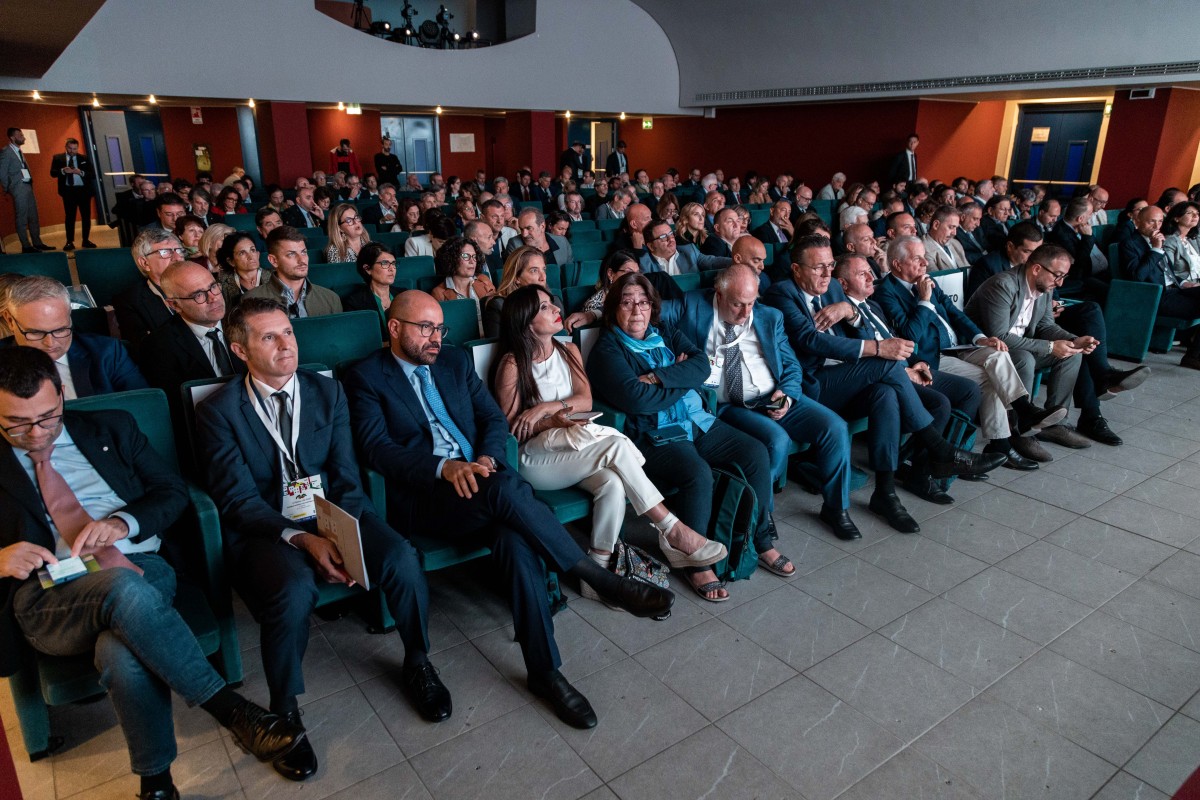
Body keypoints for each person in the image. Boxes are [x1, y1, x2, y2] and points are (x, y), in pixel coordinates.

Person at [344, 290, 672, 728]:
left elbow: (493, 421)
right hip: (426, 498)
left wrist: (486, 457)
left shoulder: (454, 362)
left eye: (440, 328)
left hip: (481, 485)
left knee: (516, 542)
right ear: (395, 328)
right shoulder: (366, 376)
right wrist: (443, 467)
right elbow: (377, 449)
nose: (436, 338)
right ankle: (599, 578)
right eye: (425, 328)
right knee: (504, 491)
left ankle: (545, 672)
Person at [0, 347, 305, 800]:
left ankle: (156, 784)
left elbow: (171, 492)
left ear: (62, 395)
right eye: (17, 425)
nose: (37, 434)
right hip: (49, 594)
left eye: (47, 418)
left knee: (119, 650)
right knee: (123, 590)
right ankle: (231, 709)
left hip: (140, 565)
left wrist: (123, 523)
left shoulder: (111, 427)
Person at [196, 299, 449, 782]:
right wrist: (302, 539)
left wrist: (342, 533)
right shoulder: (218, 412)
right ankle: (284, 709)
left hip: (331, 511)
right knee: (293, 590)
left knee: (401, 557)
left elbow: (346, 476)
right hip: (267, 528)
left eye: (288, 332)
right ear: (240, 350)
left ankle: (418, 661)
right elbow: (238, 501)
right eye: (269, 337)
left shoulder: (326, 392)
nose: (285, 344)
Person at [494, 284, 724, 602]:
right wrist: (551, 421)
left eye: (552, 303)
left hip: (574, 446)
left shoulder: (568, 350)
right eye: (544, 307)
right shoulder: (512, 365)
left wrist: (545, 408)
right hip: (535, 459)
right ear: (526, 321)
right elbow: (513, 430)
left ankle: (597, 574)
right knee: (616, 447)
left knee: (613, 484)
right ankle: (672, 529)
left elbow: (585, 400)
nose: (556, 309)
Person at [763, 235, 1005, 532]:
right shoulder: (781, 294)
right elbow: (809, 340)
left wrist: (851, 312)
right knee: (885, 361)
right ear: (796, 269)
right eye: (818, 268)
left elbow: (859, 326)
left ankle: (885, 493)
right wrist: (877, 348)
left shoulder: (832, 288)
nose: (826, 274)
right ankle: (940, 449)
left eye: (830, 266)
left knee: (885, 394)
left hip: (849, 376)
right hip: (812, 384)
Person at [586, 273, 776, 600]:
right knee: (696, 473)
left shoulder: (665, 332)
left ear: (652, 306)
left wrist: (658, 378)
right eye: (627, 303)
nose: (637, 311)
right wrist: (681, 378)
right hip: (653, 435)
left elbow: (702, 365)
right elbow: (637, 400)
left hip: (696, 421)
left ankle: (760, 539)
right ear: (614, 308)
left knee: (755, 452)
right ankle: (696, 562)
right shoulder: (607, 350)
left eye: (643, 302)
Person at [660, 265, 860, 542]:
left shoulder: (769, 316)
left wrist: (787, 395)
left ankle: (836, 508)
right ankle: (761, 512)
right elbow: (646, 311)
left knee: (834, 428)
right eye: (737, 304)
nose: (745, 313)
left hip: (774, 396)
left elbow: (791, 366)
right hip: (731, 405)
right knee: (776, 440)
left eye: (751, 303)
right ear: (719, 294)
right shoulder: (692, 305)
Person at [872, 239, 1064, 471]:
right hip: (930, 358)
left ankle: (1022, 412)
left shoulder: (926, 281)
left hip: (957, 346)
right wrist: (924, 300)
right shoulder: (887, 293)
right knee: (992, 379)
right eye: (916, 259)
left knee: (996, 353)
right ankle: (1001, 441)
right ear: (896, 264)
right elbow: (909, 335)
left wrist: (980, 338)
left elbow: (955, 313)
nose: (925, 263)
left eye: (924, 256)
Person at [965, 244, 1111, 446]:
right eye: (1057, 276)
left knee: (1072, 353)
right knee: (1025, 358)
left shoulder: (1044, 287)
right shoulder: (1003, 285)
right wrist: (1050, 347)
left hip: (1018, 346)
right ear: (1036, 269)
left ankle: (1055, 425)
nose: (1060, 283)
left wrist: (1073, 340)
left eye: (1064, 277)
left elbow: (1046, 325)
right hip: (987, 349)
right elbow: (999, 336)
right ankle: (1020, 429)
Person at [2, 275, 147, 398]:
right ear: (9, 320)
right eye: (36, 333)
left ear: (69, 315)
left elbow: (143, 405)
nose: (50, 343)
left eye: (60, 330)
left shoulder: (107, 353)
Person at [1120, 205, 1200, 369]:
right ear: (1137, 221)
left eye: (1160, 221)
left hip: (1175, 290)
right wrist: (1156, 250)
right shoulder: (1130, 243)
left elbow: (1168, 272)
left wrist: (1184, 283)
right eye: (1151, 222)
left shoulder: (1158, 238)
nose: (1157, 226)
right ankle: (1193, 356)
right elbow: (1137, 277)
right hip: (1156, 296)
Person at [115, 230, 187, 353]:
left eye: (179, 250)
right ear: (145, 263)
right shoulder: (130, 301)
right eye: (165, 252)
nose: (177, 257)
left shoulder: (202, 285)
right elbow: (146, 349)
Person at [245, 227, 342, 318]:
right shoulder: (251, 300)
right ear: (274, 260)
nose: (302, 260)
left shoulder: (331, 299)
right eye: (291, 254)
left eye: (303, 252)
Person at [483, 246, 562, 338]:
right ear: (516, 277)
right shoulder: (500, 306)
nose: (543, 277)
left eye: (544, 269)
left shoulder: (555, 303)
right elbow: (499, 345)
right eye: (534, 270)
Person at [430, 236, 495, 336]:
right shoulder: (439, 293)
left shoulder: (484, 280)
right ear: (452, 258)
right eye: (465, 256)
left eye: (474, 256)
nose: (472, 261)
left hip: (490, 336)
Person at [0, 128, 51, 253]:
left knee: (33, 216)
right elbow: (2, 173)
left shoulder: (19, 150)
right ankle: (26, 246)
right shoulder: (6, 152)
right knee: (22, 217)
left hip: (27, 186)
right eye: (20, 135)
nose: (24, 137)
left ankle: (37, 243)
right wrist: (9, 188)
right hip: (18, 188)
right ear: (12, 137)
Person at [966, 221, 1043, 301]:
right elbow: (975, 302)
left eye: (1037, 251)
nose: (1034, 257)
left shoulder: (1039, 265)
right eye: (1027, 251)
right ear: (1010, 246)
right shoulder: (987, 266)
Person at [341, 242, 401, 342]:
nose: (392, 269)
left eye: (393, 263)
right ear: (367, 269)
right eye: (385, 263)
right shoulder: (354, 303)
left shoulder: (404, 294)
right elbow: (359, 340)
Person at [640, 218, 732, 276]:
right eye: (663, 237)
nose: (670, 239)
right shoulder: (644, 264)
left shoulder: (689, 251)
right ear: (651, 246)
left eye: (671, 233)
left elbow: (712, 262)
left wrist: (735, 261)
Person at [50, 137, 96, 250]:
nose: (72, 151)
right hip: (68, 192)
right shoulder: (58, 158)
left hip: (84, 191)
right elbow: (53, 173)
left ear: (77, 148)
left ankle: (86, 240)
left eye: (75, 149)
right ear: (66, 147)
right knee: (70, 217)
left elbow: (92, 174)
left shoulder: (84, 158)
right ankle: (69, 242)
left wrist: (80, 172)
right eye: (70, 148)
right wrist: (62, 171)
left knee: (86, 216)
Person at [505, 207, 574, 267]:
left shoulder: (562, 242)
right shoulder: (515, 244)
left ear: (542, 227)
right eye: (521, 229)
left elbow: (570, 272)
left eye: (529, 228)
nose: (524, 234)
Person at [922, 205, 970, 270]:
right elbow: (936, 276)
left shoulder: (956, 243)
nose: (954, 233)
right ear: (936, 225)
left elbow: (968, 270)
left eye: (956, 228)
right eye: (951, 227)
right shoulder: (922, 249)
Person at [1163, 201, 1200, 284]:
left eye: (1197, 213)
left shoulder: (1193, 239)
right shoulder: (1170, 241)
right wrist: (1183, 283)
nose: (1195, 216)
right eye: (1189, 213)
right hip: (1183, 286)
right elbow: (1168, 270)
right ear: (1177, 218)